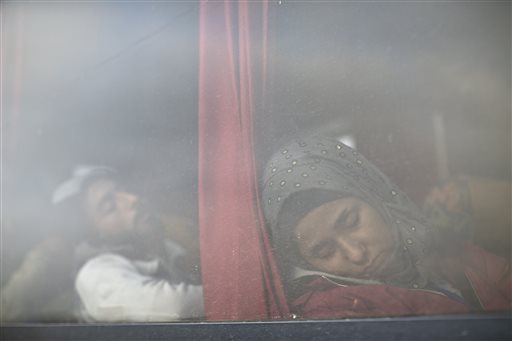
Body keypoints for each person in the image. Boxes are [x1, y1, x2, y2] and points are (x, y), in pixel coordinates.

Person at [261, 136, 511, 319]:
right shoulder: (340, 310)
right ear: (305, 263)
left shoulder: (443, 248)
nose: (356, 254)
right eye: (324, 252)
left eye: (350, 221)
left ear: (374, 196)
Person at [50, 165, 204, 322]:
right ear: (92, 234)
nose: (133, 199)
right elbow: (176, 306)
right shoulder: (96, 274)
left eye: (126, 190)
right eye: (110, 205)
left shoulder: (170, 247)